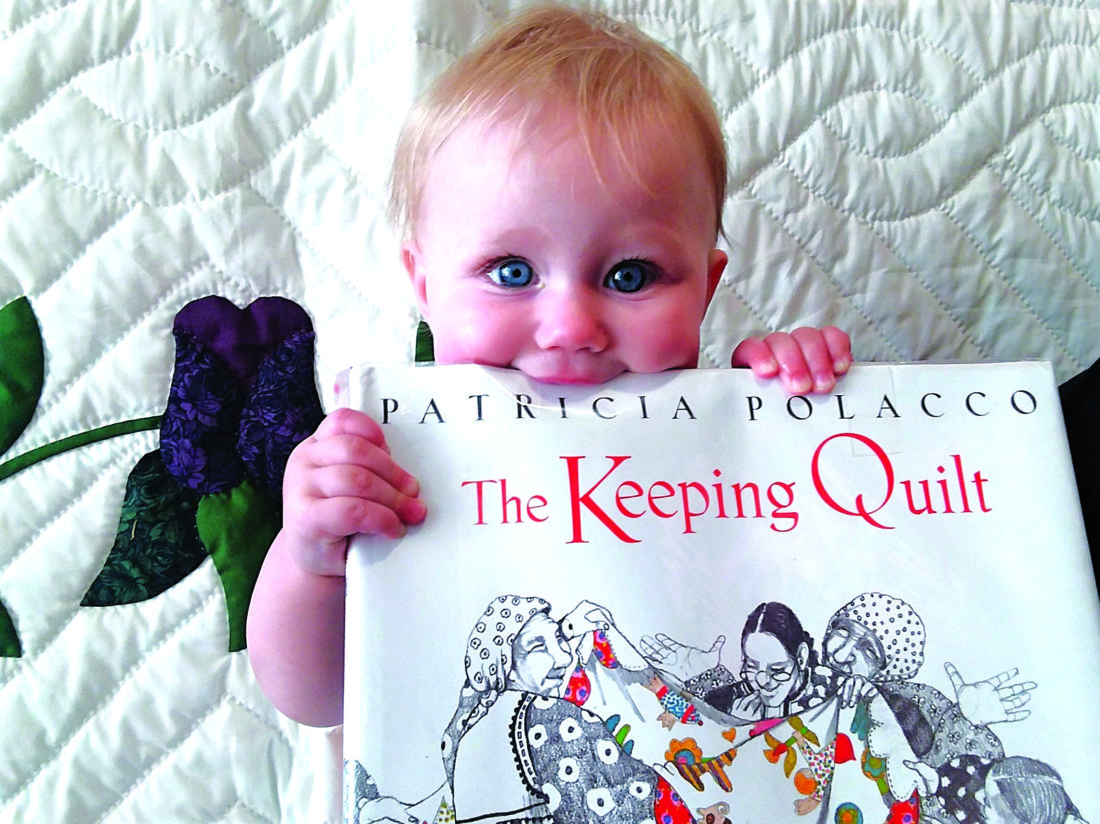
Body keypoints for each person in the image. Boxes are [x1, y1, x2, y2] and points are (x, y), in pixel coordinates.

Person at [246, 4, 853, 730]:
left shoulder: (726, 434)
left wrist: (794, 413)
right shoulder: (391, 467)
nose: (570, 328)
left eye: (630, 275)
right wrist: (311, 558)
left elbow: (801, 583)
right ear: (424, 286)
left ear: (706, 288)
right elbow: (315, 702)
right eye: (511, 271)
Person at [643, 601, 832, 721]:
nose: (763, 682)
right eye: (751, 667)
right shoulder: (739, 702)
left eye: (777, 670)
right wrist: (700, 676)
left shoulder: (830, 692)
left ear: (801, 657)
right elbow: (700, 718)